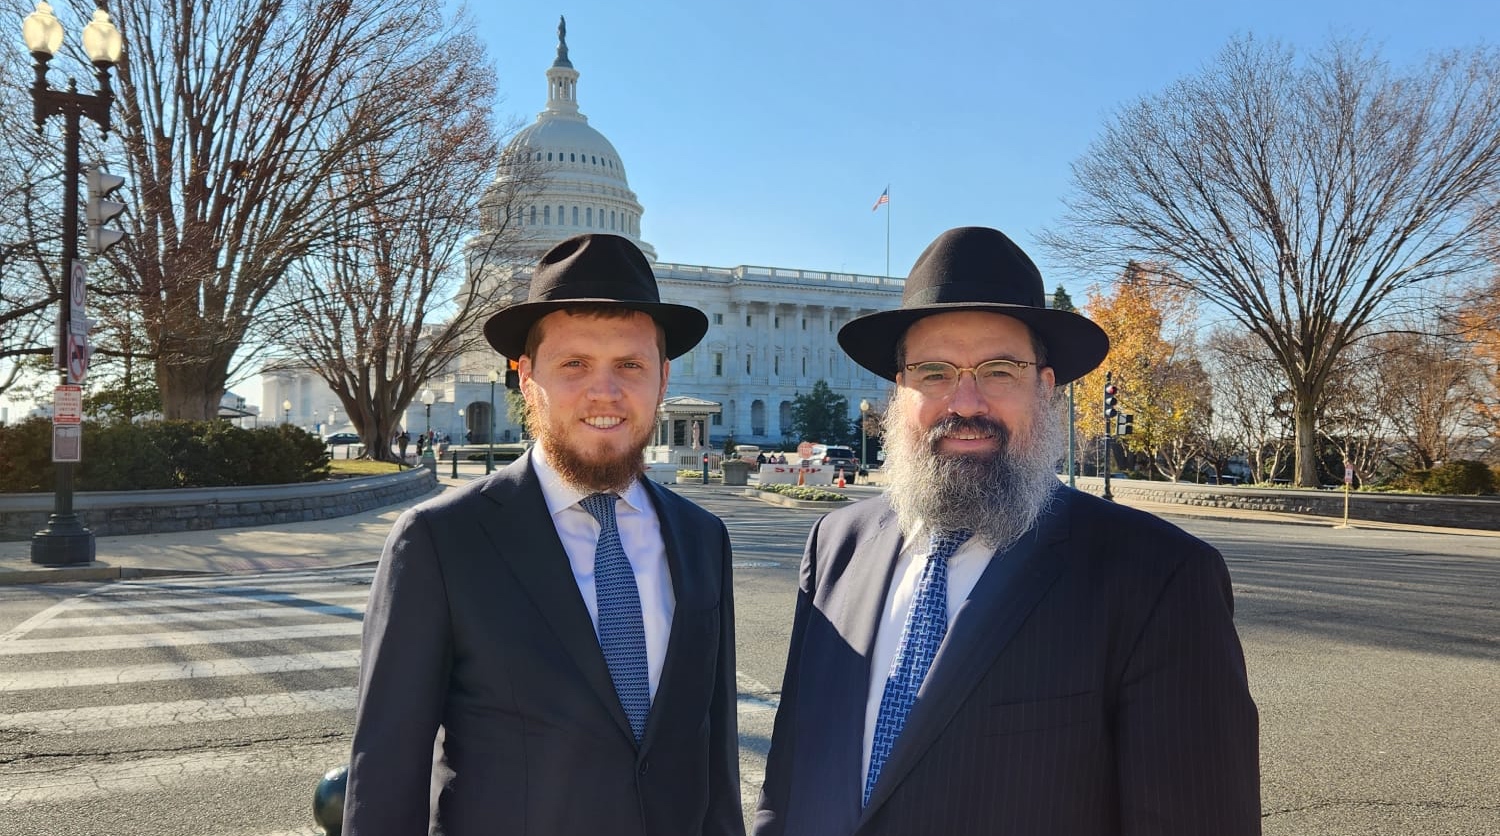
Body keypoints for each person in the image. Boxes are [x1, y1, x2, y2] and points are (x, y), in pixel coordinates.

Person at [753, 227, 1260, 836]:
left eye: (999, 371)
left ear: (1044, 389)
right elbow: (787, 780)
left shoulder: (1158, 577)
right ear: (899, 391)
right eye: (934, 373)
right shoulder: (837, 546)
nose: (964, 403)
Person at [347, 233, 743, 836]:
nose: (604, 392)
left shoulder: (702, 539)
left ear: (662, 378)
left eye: (629, 365)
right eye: (574, 364)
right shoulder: (441, 541)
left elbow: (714, 756)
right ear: (528, 377)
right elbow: (386, 774)